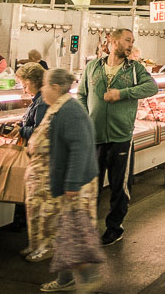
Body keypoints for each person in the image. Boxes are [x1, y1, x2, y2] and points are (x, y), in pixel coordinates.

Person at [77, 28, 158, 246]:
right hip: (94, 137)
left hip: (121, 135)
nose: (130, 45)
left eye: (132, 41)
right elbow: (82, 95)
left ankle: (114, 227)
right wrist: (85, 120)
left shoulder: (134, 69)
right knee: (90, 185)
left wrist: (122, 94)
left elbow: (152, 87)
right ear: (112, 41)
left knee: (119, 186)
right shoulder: (92, 67)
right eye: (127, 40)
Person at [41, 68, 104, 293]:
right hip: (69, 181)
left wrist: (71, 184)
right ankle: (65, 278)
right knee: (65, 231)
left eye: (44, 85)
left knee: (74, 230)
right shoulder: (62, 108)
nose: (42, 89)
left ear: (56, 88)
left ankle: (88, 278)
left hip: (77, 184)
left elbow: (80, 148)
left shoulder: (70, 111)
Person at [16, 62, 55, 263]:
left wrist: (20, 130)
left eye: (24, 83)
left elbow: (41, 132)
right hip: (39, 162)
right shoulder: (39, 100)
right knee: (34, 205)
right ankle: (36, 244)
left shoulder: (42, 102)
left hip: (43, 162)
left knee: (40, 206)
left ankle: (43, 247)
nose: (23, 87)